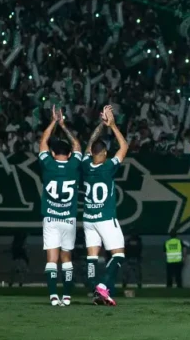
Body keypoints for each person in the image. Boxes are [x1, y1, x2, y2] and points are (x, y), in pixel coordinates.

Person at [82, 104, 129, 306]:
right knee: (118, 254)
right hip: (106, 218)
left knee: (92, 256)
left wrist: (100, 127)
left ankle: (95, 289)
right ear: (103, 154)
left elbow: (89, 146)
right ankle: (103, 285)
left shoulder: (84, 164)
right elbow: (124, 147)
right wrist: (112, 126)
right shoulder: (108, 167)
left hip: (88, 219)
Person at [38, 105, 83, 306]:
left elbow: (42, 142)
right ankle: (67, 296)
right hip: (69, 219)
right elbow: (78, 145)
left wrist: (53, 122)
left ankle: (53, 296)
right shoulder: (74, 165)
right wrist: (64, 126)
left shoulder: (48, 164)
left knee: (51, 259)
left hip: (51, 218)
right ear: (69, 154)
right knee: (67, 259)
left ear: (54, 153)